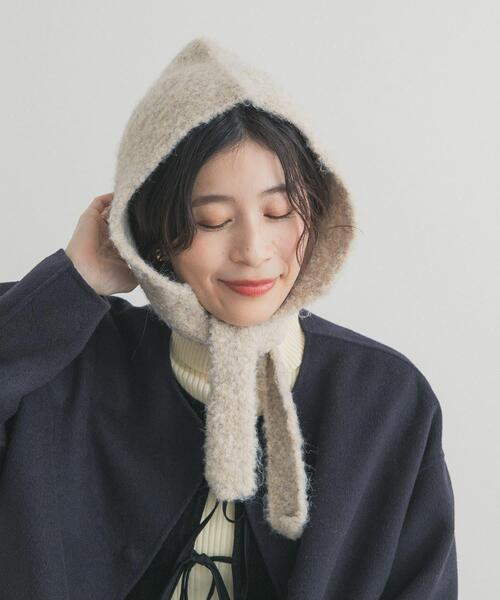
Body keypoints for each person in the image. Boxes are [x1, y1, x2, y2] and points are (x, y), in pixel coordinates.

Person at [0, 37, 457, 599]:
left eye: (279, 211)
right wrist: (75, 281)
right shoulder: (64, 362)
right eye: (213, 220)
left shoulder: (386, 398)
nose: (253, 250)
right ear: (155, 234)